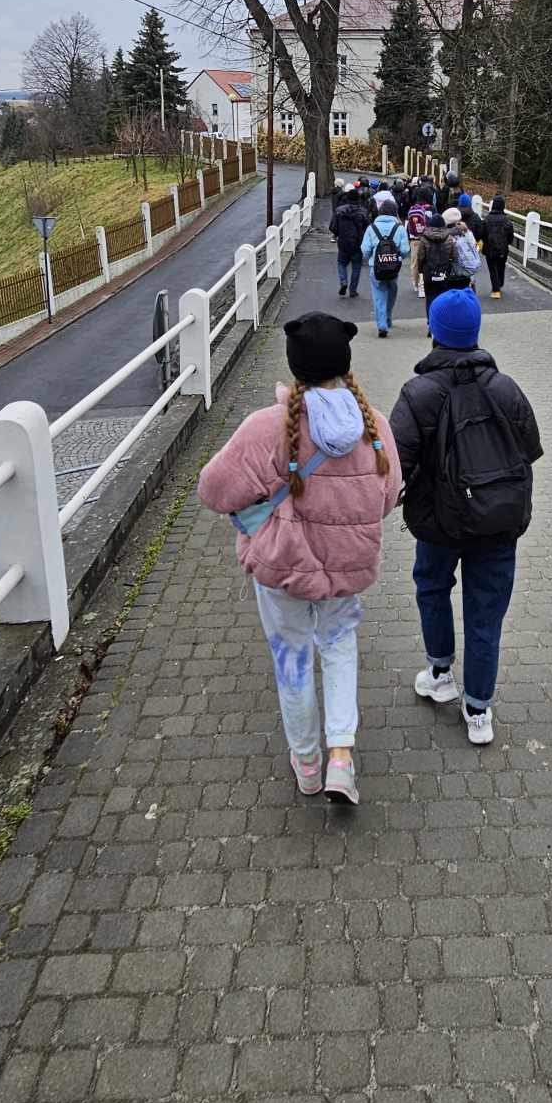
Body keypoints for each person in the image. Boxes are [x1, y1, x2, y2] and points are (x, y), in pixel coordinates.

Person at [198, 313, 401, 804]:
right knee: (338, 647)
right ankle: (341, 758)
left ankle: (307, 762)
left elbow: (213, 490)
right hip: (348, 567)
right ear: (345, 365)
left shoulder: (265, 427)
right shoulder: (375, 427)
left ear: (295, 368)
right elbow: (390, 495)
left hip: (281, 567)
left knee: (291, 656)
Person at [390, 289, 542, 746]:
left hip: (438, 521)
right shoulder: (505, 387)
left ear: (435, 331)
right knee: (485, 613)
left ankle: (440, 674)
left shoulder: (418, 393)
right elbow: (530, 449)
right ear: (476, 333)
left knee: (433, 587)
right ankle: (478, 710)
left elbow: (398, 461)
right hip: (498, 518)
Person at [360, 192, 409, 338]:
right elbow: (406, 250)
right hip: (393, 267)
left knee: (378, 294)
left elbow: (365, 249)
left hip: (376, 267)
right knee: (392, 291)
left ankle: (381, 324)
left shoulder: (372, 228)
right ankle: (388, 316)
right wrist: (398, 257)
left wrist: (370, 258)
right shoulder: (399, 229)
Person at [417, 205, 478, 309]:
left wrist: (421, 269)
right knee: (463, 299)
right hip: (467, 272)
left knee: (446, 300)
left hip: (450, 274)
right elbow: (474, 250)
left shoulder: (447, 236)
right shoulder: (468, 232)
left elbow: (451, 256)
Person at [330, 183, 369, 298]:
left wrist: (338, 234)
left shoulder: (339, 211)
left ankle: (343, 281)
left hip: (343, 241)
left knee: (341, 263)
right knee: (356, 266)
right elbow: (367, 227)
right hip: (358, 242)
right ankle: (353, 290)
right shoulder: (363, 212)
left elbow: (333, 226)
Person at [480, 194, 515, 298]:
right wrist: (507, 243)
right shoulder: (506, 220)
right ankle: (500, 283)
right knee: (501, 266)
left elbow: (482, 233)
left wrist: (484, 242)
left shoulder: (487, 219)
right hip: (503, 249)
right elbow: (510, 235)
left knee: (492, 268)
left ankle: (496, 289)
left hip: (489, 248)